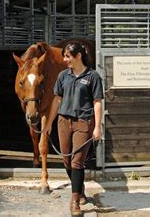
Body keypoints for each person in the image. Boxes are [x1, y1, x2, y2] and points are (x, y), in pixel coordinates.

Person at [43, 41, 104, 216]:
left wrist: (97, 127)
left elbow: (97, 102)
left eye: (67, 56)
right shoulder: (63, 76)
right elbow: (57, 100)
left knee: (77, 161)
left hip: (83, 122)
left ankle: (75, 200)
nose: (65, 60)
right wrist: (49, 124)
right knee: (66, 161)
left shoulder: (93, 77)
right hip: (63, 121)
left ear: (78, 56)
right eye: (64, 56)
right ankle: (80, 188)